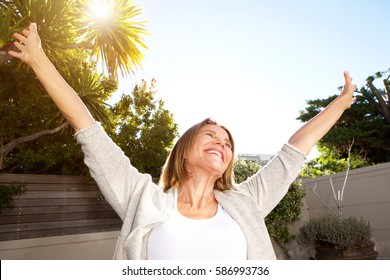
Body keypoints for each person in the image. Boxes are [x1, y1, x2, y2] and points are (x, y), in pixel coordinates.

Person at [9, 23, 357, 260]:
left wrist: (341, 103)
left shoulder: (246, 203)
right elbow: (87, 128)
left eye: (227, 143)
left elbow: (294, 151)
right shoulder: (140, 198)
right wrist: (39, 60)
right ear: (184, 152)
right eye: (210, 136)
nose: (221, 143)